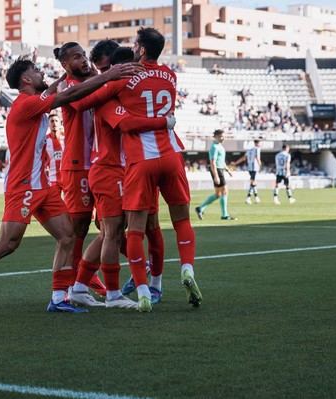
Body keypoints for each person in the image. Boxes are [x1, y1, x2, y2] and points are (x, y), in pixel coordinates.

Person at [0, 55, 141, 315]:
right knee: (8, 244)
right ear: (26, 80)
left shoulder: (33, 101)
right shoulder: (25, 104)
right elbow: (66, 96)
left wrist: (62, 77)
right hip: (23, 186)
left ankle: (58, 298)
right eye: (35, 71)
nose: (40, 73)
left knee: (68, 236)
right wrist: (108, 76)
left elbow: (56, 89)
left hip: (42, 186)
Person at [61, 28, 201, 312]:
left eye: (104, 67)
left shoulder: (118, 87)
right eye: (100, 68)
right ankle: (115, 291)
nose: (100, 72)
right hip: (118, 167)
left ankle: (89, 285)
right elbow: (113, 118)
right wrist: (165, 122)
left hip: (134, 165)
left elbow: (84, 101)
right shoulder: (154, 80)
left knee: (129, 229)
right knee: (115, 231)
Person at [54, 42, 106, 296]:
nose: (84, 60)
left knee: (109, 224)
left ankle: (85, 279)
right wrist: (105, 76)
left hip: (98, 163)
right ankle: (73, 286)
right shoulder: (68, 87)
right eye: (77, 57)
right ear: (65, 65)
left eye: (84, 55)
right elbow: (80, 102)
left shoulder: (91, 80)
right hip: (77, 166)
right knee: (78, 230)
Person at [195, 129, 236, 220]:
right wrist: (216, 175)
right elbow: (213, 162)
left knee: (218, 194)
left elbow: (221, 160)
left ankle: (200, 208)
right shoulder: (214, 147)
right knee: (225, 191)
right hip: (217, 170)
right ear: (216, 136)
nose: (223, 138)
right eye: (221, 136)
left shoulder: (220, 146)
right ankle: (224, 215)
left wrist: (228, 170)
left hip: (220, 169)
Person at [233, 140, 261, 204]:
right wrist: (260, 165)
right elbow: (257, 158)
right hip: (255, 167)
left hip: (250, 168)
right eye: (260, 143)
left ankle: (256, 198)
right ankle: (248, 198)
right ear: (257, 143)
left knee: (253, 182)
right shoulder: (257, 149)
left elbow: (243, 158)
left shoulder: (249, 150)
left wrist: (236, 163)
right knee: (253, 183)